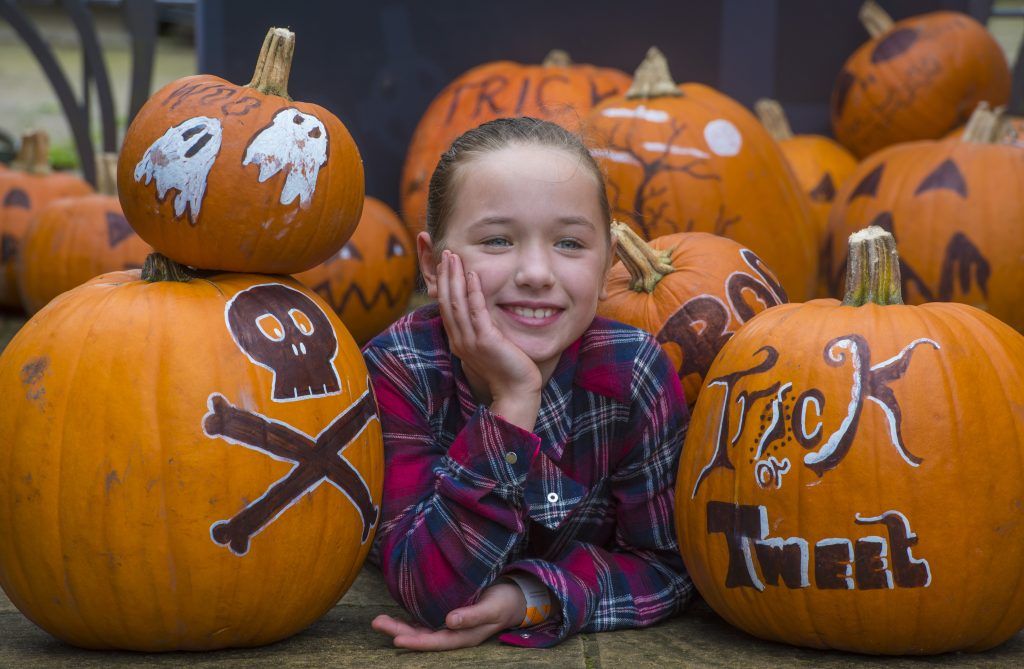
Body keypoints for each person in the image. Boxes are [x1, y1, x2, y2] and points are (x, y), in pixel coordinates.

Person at [364, 117, 692, 651]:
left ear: (609, 260)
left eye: (569, 243)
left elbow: (669, 566)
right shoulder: (401, 370)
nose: (537, 272)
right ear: (431, 263)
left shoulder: (636, 375)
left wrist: (530, 597)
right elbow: (428, 590)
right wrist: (513, 400)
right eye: (498, 240)